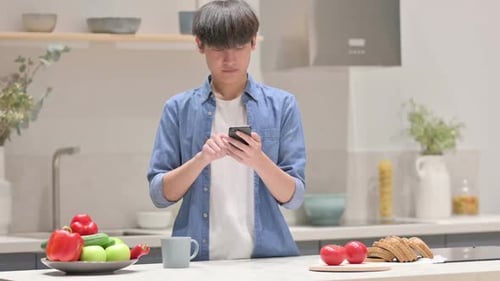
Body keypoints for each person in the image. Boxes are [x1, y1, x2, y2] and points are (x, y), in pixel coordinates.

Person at [147, 0, 306, 261]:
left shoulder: (282, 105)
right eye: (219, 48)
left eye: (239, 47)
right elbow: (160, 195)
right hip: (198, 261)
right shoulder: (178, 109)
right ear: (200, 44)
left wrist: (258, 160)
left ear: (253, 42)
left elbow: (294, 197)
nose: (230, 59)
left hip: (269, 262)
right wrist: (201, 160)